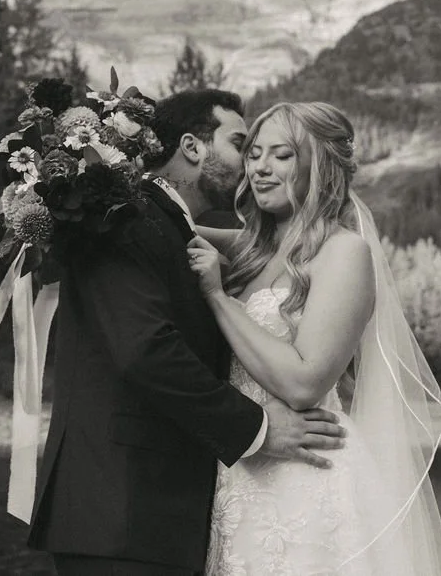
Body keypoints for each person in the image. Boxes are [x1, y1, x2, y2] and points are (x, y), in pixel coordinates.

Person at [27, 90, 348, 576]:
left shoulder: (170, 224)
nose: (251, 166)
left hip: (159, 513)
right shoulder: (124, 217)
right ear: (194, 147)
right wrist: (257, 429)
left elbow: (281, 243)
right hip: (118, 509)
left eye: (276, 154)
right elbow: (143, 351)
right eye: (243, 145)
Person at [187, 101, 441, 575]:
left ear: (319, 165)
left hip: (307, 478)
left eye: (282, 155)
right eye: (254, 154)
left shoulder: (343, 252)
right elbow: (170, 222)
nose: (261, 168)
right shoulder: (250, 248)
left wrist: (216, 296)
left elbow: (306, 383)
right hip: (241, 473)